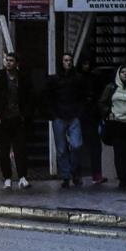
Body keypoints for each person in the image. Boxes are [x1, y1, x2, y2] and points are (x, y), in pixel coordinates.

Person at [0, 52, 33, 190]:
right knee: (4, 151)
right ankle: (7, 178)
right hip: (3, 120)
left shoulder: (22, 79)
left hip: (18, 119)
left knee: (20, 149)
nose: (8, 63)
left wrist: (25, 114)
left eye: (11, 61)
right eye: (7, 60)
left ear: (17, 63)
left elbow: (30, 97)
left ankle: (22, 177)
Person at [45, 53, 87, 188]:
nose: (68, 63)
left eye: (70, 60)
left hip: (73, 116)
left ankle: (74, 172)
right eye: (65, 60)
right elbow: (48, 97)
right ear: (61, 62)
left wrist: (79, 113)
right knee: (61, 149)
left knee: (76, 145)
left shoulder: (78, 79)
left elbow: (83, 97)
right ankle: (66, 176)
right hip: (59, 116)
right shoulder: (54, 80)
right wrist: (53, 114)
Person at [78, 59, 107, 184]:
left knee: (93, 146)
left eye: (87, 63)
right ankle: (83, 175)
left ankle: (96, 174)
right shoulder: (80, 79)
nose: (86, 66)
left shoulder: (94, 78)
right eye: (84, 63)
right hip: (83, 115)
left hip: (91, 116)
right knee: (81, 146)